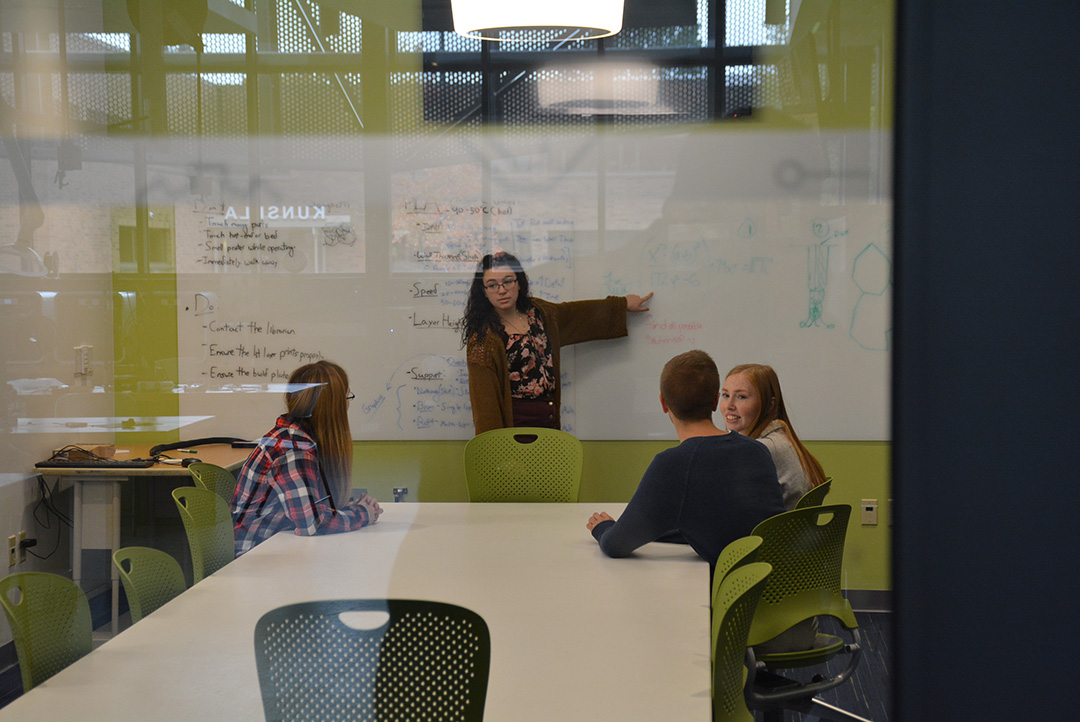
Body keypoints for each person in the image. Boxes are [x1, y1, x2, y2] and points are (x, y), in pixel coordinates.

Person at [585, 350, 785, 572]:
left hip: (735, 594)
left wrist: (603, 528)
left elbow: (616, 545)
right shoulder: (757, 451)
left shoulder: (671, 464)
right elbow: (722, 520)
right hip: (777, 582)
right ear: (715, 401)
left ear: (663, 404)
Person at [462, 251, 653, 434]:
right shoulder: (483, 340)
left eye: (508, 281)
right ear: (484, 292)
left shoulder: (539, 313)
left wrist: (623, 305)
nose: (502, 290)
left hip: (550, 420)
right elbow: (485, 408)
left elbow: (576, 315)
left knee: (550, 468)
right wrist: (495, 455)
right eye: (493, 285)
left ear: (519, 283)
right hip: (515, 427)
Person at [232, 360, 382, 556]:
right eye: (347, 397)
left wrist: (353, 508)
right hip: (256, 561)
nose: (348, 405)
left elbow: (314, 506)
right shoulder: (294, 449)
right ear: (333, 406)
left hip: (274, 551)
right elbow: (311, 523)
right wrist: (362, 514)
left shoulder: (300, 440)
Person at [721, 363, 828, 510]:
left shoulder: (762, 449)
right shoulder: (780, 437)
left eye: (741, 397)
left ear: (769, 405)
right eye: (726, 395)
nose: (729, 405)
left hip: (765, 532)